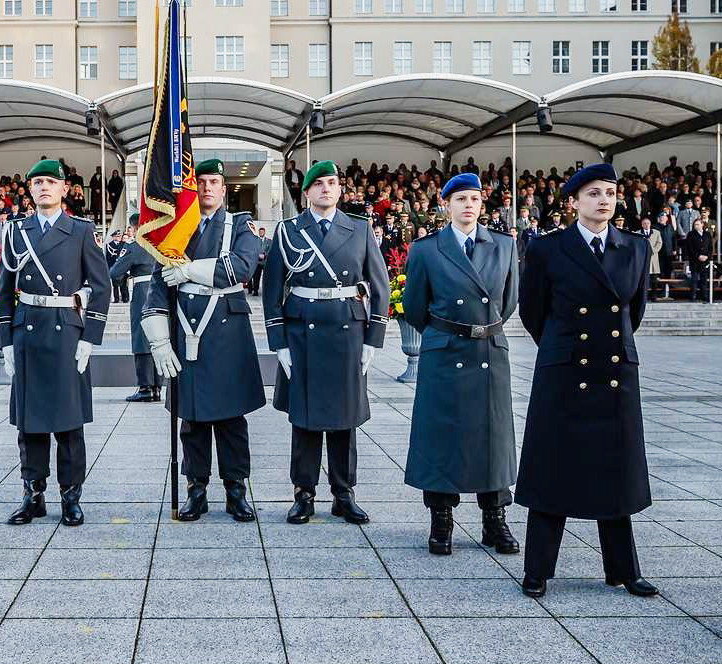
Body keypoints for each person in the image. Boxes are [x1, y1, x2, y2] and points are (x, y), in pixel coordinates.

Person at [516, 163, 658, 599]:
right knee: (551, 471)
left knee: (616, 473)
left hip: (614, 373)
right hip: (564, 373)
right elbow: (532, 311)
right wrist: (562, 348)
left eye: (611, 193)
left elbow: (633, 312)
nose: (604, 200)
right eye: (594, 193)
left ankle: (623, 570)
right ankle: (537, 570)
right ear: (573, 202)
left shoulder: (634, 248)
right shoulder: (547, 248)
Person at [261, 160, 390, 525]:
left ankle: (343, 493)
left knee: (344, 418)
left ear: (340, 189)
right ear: (306, 193)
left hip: (347, 332)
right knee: (303, 418)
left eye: (332, 183)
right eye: (319, 184)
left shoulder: (360, 229)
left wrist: (373, 340)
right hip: (302, 334)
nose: (326, 189)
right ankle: (303, 494)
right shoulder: (288, 231)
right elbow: (273, 290)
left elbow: (379, 285)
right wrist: (279, 342)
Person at [402, 173, 520, 556]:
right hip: (444, 349)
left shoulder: (503, 246)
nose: (469, 205)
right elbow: (417, 306)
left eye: (475, 198)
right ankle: (441, 520)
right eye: (461, 199)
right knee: (441, 437)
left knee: (494, 437)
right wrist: (447, 332)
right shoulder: (426, 249)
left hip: (488, 348)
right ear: (446, 204)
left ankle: (494, 519)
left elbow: (509, 300)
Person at [141, 159, 265, 523]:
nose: (208, 188)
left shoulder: (239, 224)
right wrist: (159, 341)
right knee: (191, 419)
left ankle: (235, 491)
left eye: (215, 182)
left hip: (226, 334)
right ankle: (196, 489)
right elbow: (158, 284)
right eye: (203, 183)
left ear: (224, 189)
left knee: (231, 420)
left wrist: (188, 270)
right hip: (185, 331)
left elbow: (240, 268)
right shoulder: (178, 229)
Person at [0, 159, 110, 527]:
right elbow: (4, 290)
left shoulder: (80, 230)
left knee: (68, 421)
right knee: (29, 423)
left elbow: (102, 285)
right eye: (37, 182)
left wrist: (90, 337)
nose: (44, 187)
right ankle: (33, 493)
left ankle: (70, 496)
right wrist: (6, 341)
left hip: (66, 330)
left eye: (51, 181)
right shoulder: (16, 231)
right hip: (27, 329)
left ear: (65, 189)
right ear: (29, 190)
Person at [110, 214, 162, 403]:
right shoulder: (162, 245)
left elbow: (115, 273)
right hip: (161, 293)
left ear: (135, 227)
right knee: (159, 338)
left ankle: (145, 387)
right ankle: (157, 387)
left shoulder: (134, 247)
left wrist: (127, 275)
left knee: (141, 338)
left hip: (142, 292)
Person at [686, 218, 713, 302]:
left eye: (698, 224)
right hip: (695, 260)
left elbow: (710, 247)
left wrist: (707, 256)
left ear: (702, 225)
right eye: (695, 225)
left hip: (705, 261)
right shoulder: (691, 234)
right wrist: (698, 256)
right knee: (694, 279)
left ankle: (704, 296)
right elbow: (690, 248)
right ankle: (693, 296)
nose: (696, 226)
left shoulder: (707, 234)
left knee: (704, 279)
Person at [248, 226, 270, 296]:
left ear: (264, 232)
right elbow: (253, 249)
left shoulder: (269, 241)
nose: (261, 233)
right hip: (257, 262)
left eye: (262, 232)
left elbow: (270, 250)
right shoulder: (255, 240)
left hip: (265, 262)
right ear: (258, 232)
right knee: (256, 277)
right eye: (260, 232)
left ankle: (267, 290)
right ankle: (255, 291)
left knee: (266, 277)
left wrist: (265, 255)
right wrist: (258, 255)